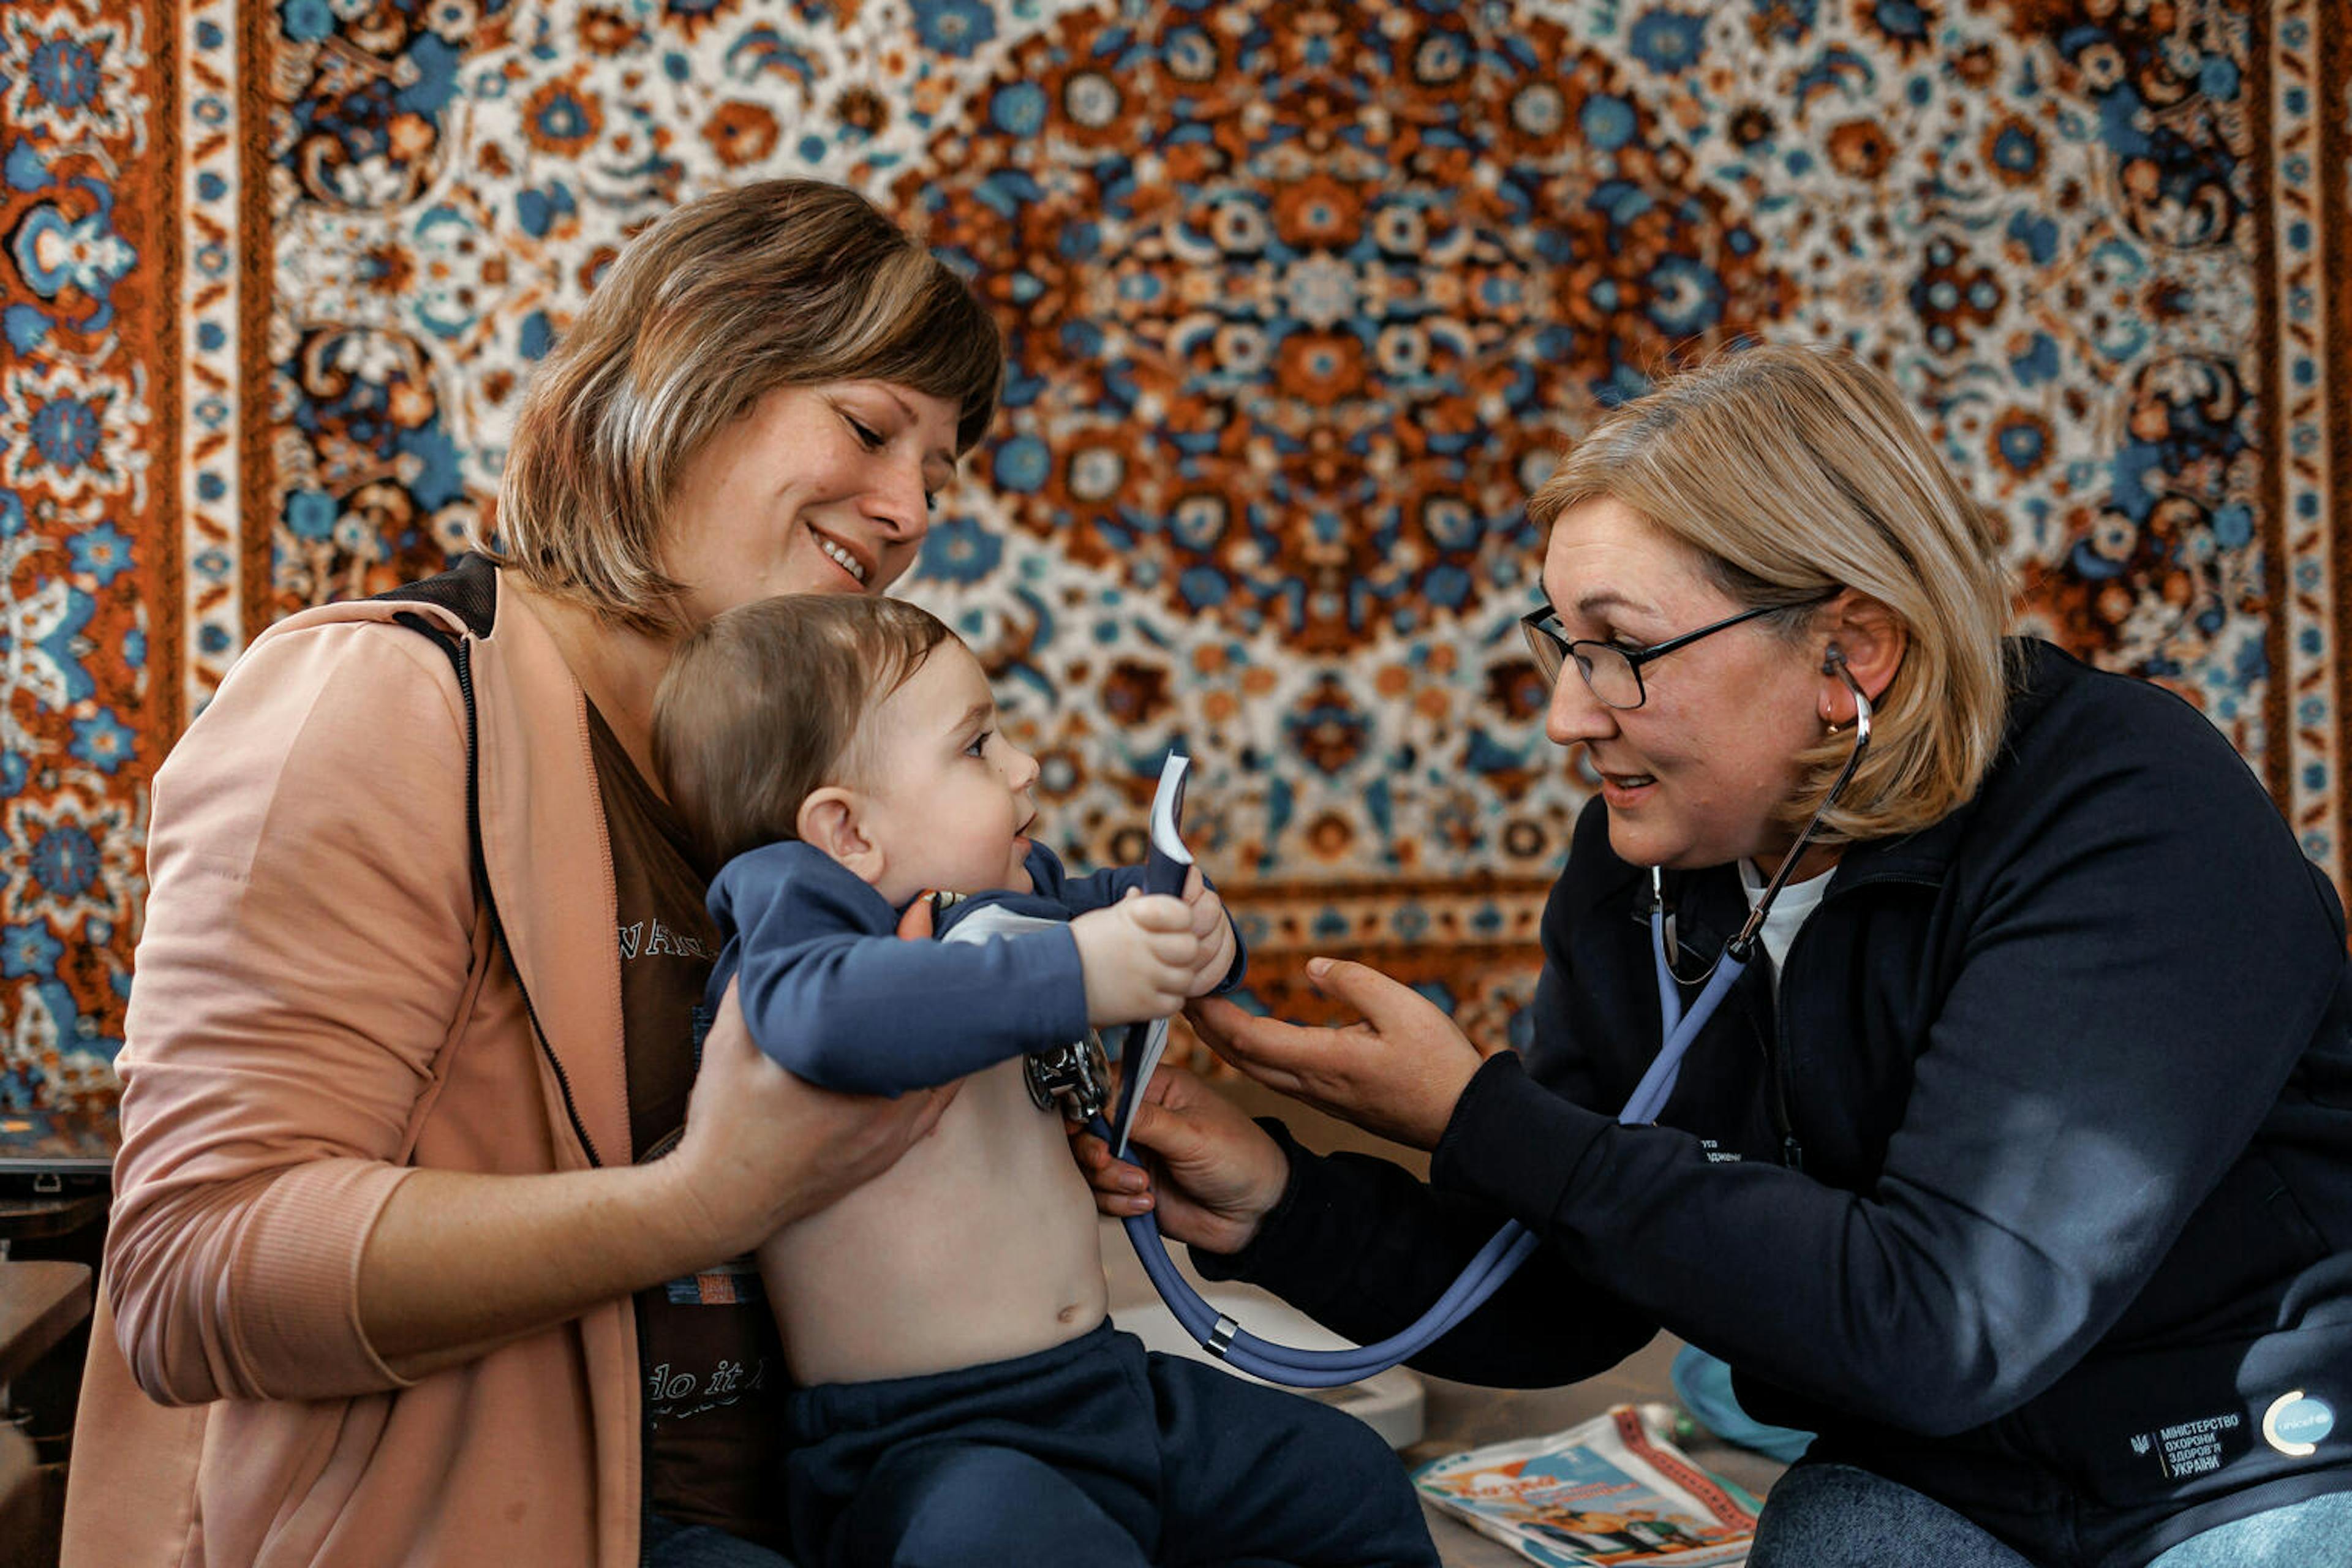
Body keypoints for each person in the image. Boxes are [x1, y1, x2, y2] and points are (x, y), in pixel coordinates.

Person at [1084, 343, 2352, 1568]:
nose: (1571, 714)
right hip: (1941, 1468)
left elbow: (1946, 1322)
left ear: (1849, 654)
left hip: (2256, 1456)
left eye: (1622, 648)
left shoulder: (2131, 812)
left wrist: (1481, 1113)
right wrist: (1279, 1202)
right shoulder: (1647, 865)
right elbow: (1575, 1286)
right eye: (1564, 646)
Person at [67, 178, 1005, 1567]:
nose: (908, 507)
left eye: (938, 470)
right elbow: (194, 1273)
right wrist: (695, 1204)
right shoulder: (381, 701)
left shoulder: (796, 794)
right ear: (689, 361)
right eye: (870, 428)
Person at [646, 592, 1441, 1568]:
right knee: (1005, 1541)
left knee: (1344, 1479)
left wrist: (1192, 932)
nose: (1026, 766)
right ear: (847, 832)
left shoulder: (1009, 898)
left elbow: (1117, 911)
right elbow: (825, 1015)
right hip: (930, 1442)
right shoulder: (793, 915)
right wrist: (1081, 970)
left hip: (1108, 1387)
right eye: (978, 746)